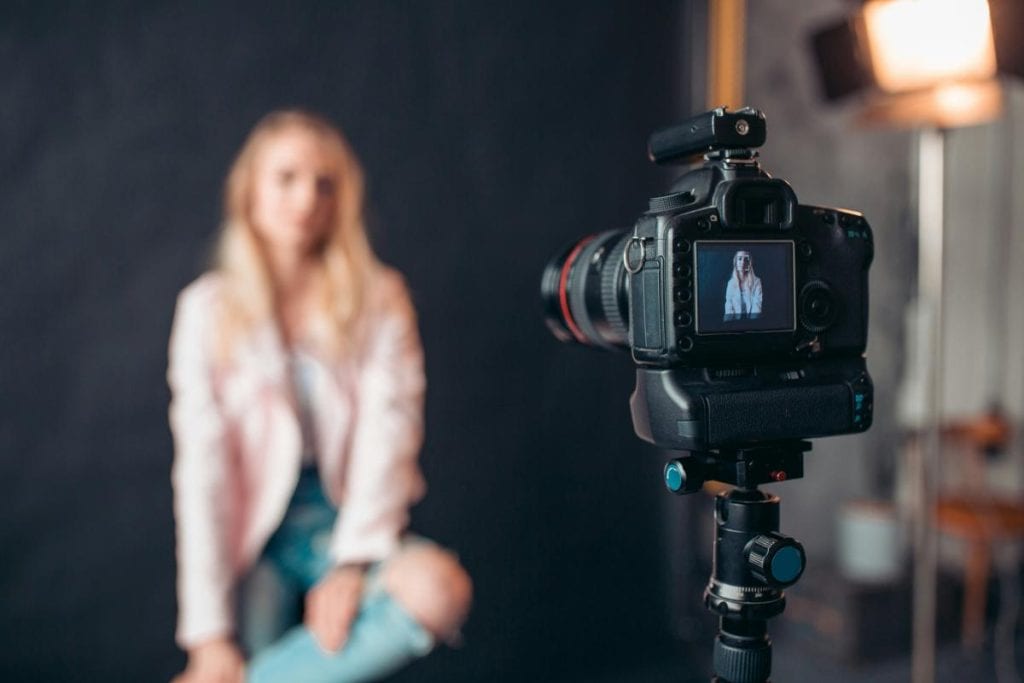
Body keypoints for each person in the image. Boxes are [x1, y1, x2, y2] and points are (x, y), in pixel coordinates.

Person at [168, 110, 472, 683]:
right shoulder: (204, 311)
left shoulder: (381, 298)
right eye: (286, 178)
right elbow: (201, 474)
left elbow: (391, 430)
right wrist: (208, 636)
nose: (306, 198)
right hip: (254, 535)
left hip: (346, 519)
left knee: (438, 590)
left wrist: (352, 561)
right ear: (250, 193)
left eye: (324, 182)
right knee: (247, 653)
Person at [723, 249, 763, 321]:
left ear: (749, 263)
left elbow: (757, 305)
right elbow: (728, 306)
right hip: (734, 320)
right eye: (740, 259)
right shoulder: (731, 284)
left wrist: (752, 324)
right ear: (735, 262)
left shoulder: (757, 282)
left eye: (746, 259)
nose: (743, 262)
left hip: (751, 320)